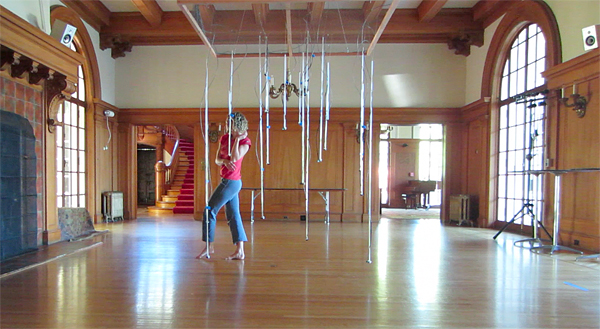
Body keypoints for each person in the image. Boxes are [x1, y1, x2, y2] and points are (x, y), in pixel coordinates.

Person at [196, 112, 251, 260]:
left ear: (236, 125)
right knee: (233, 215)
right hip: (226, 180)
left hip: (232, 182)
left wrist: (238, 140)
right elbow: (217, 159)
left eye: (229, 123)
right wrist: (224, 162)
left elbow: (234, 158)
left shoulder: (245, 142)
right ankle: (240, 251)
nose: (226, 125)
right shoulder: (224, 138)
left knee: (209, 210)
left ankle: (209, 247)